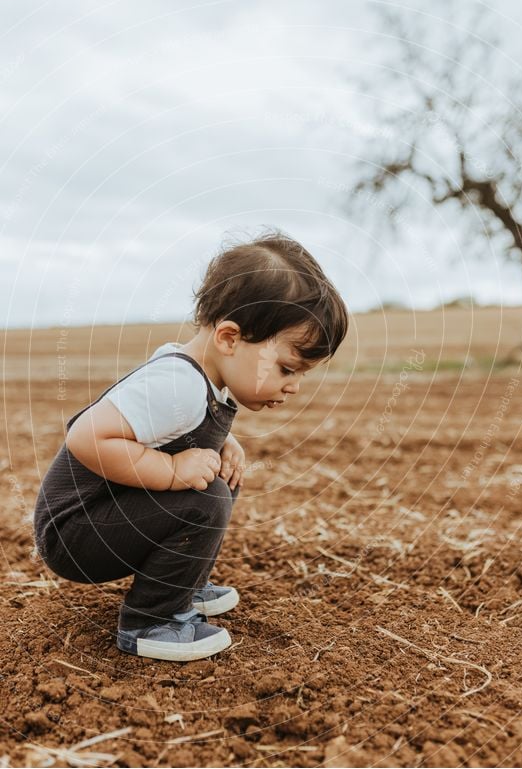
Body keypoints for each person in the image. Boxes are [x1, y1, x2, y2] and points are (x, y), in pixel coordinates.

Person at [33, 230, 349, 662]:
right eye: (287, 368)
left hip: (101, 518)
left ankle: (181, 581)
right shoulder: (178, 384)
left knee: (217, 474)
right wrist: (173, 471)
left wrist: (224, 440)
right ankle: (150, 621)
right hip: (74, 532)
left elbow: (173, 426)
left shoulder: (195, 374)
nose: (293, 387)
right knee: (205, 495)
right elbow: (86, 436)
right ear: (230, 338)